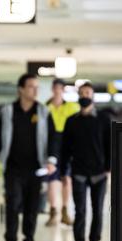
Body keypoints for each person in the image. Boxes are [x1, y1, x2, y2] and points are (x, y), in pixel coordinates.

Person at [0, 74, 56, 241]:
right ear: (21, 89)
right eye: (31, 87)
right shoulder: (8, 111)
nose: (35, 90)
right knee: (12, 206)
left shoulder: (43, 112)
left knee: (32, 209)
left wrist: (51, 160)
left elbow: (52, 138)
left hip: (36, 170)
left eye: (37, 87)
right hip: (13, 168)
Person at [59, 82, 111, 241]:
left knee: (98, 210)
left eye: (87, 92)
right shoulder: (72, 121)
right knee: (80, 211)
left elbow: (110, 145)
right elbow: (65, 148)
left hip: (100, 173)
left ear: (93, 96)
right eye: (81, 93)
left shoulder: (104, 120)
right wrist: (63, 171)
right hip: (78, 172)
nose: (84, 96)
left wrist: (109, 169)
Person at [45, 78, 79, 227]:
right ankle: (53, 211)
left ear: (63, 90)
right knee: (52, 178)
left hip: (68, 144)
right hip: (50, 145)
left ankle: (65, 210)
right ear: (52, 89)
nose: (57, 91)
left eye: (60, 88)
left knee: (67, 178)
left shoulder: (72, 107)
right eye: (55, 88)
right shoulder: (44, 108)